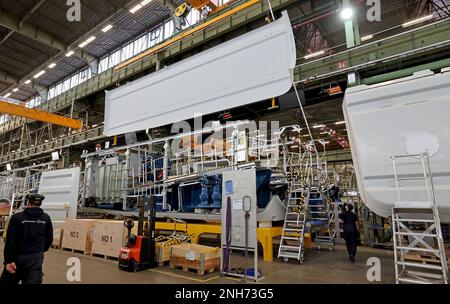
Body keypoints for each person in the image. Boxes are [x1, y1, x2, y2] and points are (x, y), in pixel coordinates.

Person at [0, 193, 53, 284]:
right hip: (35, 259)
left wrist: (9, 260)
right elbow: (49, 239)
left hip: (17, 259)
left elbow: (10, 241)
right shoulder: (46, 218)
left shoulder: (17, 218)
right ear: (40, 204)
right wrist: (39, 251)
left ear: (28, 202)